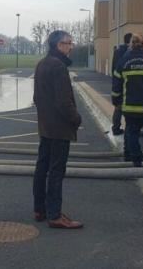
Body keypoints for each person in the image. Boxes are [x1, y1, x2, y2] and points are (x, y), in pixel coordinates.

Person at [32, 30, 83, 229]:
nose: (70, 46)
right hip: (60, 127)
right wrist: (76, 119)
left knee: (42, 167)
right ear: (57, 45)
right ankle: (54, 214)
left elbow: (37, 98)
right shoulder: (58, 66)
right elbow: (64, 102)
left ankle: (40, 209)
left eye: (71, 42)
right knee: (56, 171)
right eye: (67, 43)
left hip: (46, 126)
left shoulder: (42, 64)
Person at [112, 32, 143, 167]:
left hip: (130, 107)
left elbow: (116, 86)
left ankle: (134, 159)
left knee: (131, 133)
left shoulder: (123, 62)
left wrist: (116, 102)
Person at [110, 33, 132, 136]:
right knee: (129, 106)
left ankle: (116, 127)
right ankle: (130, 128)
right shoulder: (130, 52)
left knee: (118, 106)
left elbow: (113, 66)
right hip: (128, 81)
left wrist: (114, 79)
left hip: (118, 80)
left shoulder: (117, 51)